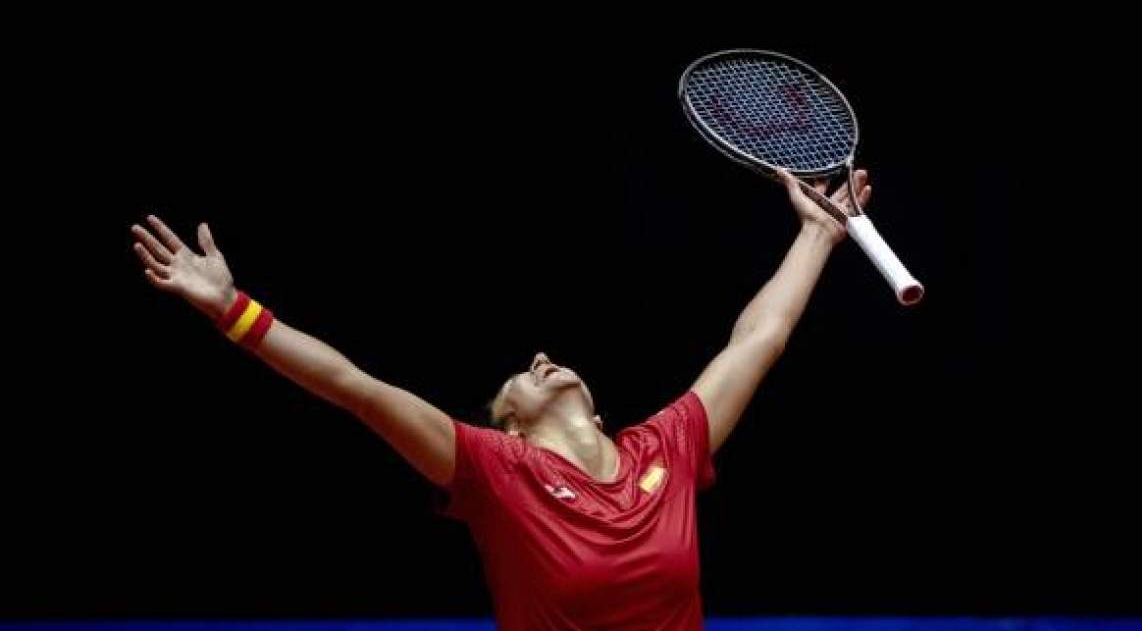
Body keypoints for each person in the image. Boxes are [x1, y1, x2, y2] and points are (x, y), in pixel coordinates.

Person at [130, 167, 872, 631]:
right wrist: (234, 310)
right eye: (519, 374)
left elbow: (757, 338)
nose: (541, 358)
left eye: (542, 359)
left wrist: (815, 235)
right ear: (510, 424)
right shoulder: (493, 471)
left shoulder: (668, 448)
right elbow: (353, 387)